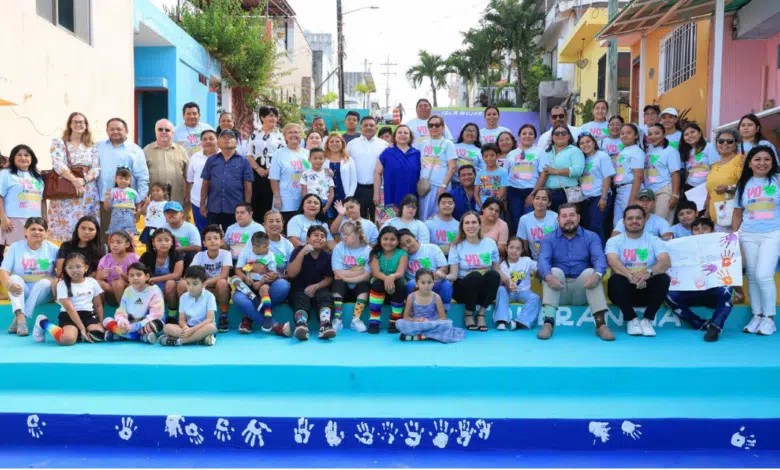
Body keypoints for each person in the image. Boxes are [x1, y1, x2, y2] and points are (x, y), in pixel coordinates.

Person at [537, 204, 613, 341]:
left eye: (572, 215)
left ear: (578, 217)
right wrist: (548, 276)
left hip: (582, 289)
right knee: (553, 271)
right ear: (558, 220)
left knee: (592, 272)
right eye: (564, 216)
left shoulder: (591, 237)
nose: (568, 219)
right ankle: (548, 323)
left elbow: (599, 259)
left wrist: (597, 275)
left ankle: (601, 325)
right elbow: (543, 260)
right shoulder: (548, 238)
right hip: (558, 288)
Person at [733, 146, 780, 336]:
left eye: (767, 159)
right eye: (757, 159)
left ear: (773, 162)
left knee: (764, 275)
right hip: (748, 234)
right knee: (752, 276)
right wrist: (735, 236)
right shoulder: (744, 183)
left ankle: (769, 318)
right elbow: (737, 212)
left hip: (773, 233)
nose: (762, 163)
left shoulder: (777, 180)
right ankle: (757, 315)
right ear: (750, 163)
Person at [606, 205, 672, 337]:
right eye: (630, 218)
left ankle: (648, 319)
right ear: (623, 221)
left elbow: (665, 262)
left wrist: (647, 273)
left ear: (644, 220)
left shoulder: (654, 240)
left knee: (663, 278)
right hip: (624, 292)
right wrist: (632, 277)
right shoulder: (614, 241)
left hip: (647, 289)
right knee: (615, 280)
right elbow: (613, 262)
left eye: (638, 218)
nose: (634, 221)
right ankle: (631, 319)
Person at [665, 217, 733, 342]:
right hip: (690, 291)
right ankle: (699, 323)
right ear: (692, 233)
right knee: (669, 293)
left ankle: (715, 327)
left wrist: (739, 290)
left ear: (712, 231)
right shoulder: (681, 248)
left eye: (705, 228)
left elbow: (732, 270)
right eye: (696, 229)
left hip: (712, 292)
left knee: (727, 288)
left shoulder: (723, 247)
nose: (700, 232)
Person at [233, 210, 293, 335]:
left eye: (278, 221)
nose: (274, 224)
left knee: (284, 285)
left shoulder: (287, 245)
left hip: (270, 285)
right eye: (270, 221)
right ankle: (273, 325)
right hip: (250, 284)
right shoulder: (254, 240)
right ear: (264, 224)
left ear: (283, 224)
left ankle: (249, 317)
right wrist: (252, 267)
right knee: (238, 298)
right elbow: (238, 268)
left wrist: (277, 275)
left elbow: (290, 274)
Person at [47, 112, 101, 243]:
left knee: (86, 224)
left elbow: (96, 167)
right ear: (69, 125)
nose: (79, 124)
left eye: (82, 122)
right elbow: (58, 163)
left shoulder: (92, 145)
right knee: (67, 226)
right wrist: (74, 180)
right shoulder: (59, 142)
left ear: (86, 125)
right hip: (66, 187)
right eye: (75, 122)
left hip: (87, 190)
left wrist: (84, 180)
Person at [1, 218, 59, 337]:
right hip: (22, 290)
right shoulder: (15, 247)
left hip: (45, 292)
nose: (37, 232)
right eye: (33, 229)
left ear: (46, 233)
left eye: (41, 229)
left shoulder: (53, 249)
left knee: (44, 282)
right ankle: (21, 318)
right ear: (25, 231)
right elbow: (4, 270)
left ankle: (20, 318)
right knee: (14, 279)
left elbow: (61, 273)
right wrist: (8, 285)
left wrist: (54, 280)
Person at [33, 252, 104, 346]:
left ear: (86, 268)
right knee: (67, 339)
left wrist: (102, 323)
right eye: (70, 267)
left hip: (88, 316)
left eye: (78, 266)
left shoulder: (92, 282)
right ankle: (43, 323)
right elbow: (70, 309)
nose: (75, 270)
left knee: (99, 336)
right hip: (69, 316)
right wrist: (82, 328)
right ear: (65, 270)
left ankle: (78, 333)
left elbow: (98, 305)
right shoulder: (62, 285)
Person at [446, 212, 501, 331]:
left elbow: (497, 269)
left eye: (474, 222)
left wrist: (508, 281)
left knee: (494, 275)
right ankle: (468, 313)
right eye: (467, 223)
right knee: (475, 276)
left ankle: (481, 314)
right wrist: (442, 276)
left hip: (482, 291)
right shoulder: (457, 246)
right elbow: (454, 274)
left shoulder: (490, 243)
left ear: (479, 225)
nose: (471, 226)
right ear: (462, 227)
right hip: (463, 290)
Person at [96, 118, 149, 231]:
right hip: (103, 200)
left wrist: (141, 199)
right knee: (105, 235)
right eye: (112, 129)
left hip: (126, 204)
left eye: (119, 129)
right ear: (107, 131)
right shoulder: (98, 147)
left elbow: (142, 177)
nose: (115, 131)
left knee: (125, 236)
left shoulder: (135, 150)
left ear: (126, 131)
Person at [199, 129, 254, 233]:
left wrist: (247, 206)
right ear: (218, 142)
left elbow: (248, 185)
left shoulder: (244, 161)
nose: (227, 138)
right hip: (213, 207)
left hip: (235, 208)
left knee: (233, 238)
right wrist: (202, 204)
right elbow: (205, 183)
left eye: (231, 137)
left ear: (236, 142)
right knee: (212, 235)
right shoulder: (211, 160)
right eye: (224, 137)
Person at [287, 226, 335, 341]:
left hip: (319, 288)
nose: (319, 238)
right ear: (308, 238)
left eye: (323, 236)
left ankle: (325, 325)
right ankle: (302, 325)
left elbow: (328, 278)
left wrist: (316, 286)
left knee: (326, 296)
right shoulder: (298, 251)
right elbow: (291, 273)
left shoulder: (327, 255)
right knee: (300, 298)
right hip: (299, 289)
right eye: (316, 235)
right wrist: (303, 251)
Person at [102, 263, 165, 344]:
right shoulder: (128, 290)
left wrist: (135, 326)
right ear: (128, 278)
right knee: (106, 321)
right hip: (130, 324)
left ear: (147, 276)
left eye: (139, 275)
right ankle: (140, 337)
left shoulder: (155, 291)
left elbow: (155, 315)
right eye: (131, 275)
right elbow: (121, 310)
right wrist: (122, 321)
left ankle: (122, 336)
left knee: (157, 324)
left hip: (145, 324)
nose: (135, 278)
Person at [396, 269, 465, 343]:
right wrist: (416, 320)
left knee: (447, 324)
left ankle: (419, 336)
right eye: (423, 283)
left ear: (433, 283)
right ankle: (429, 335)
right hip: (417, 324)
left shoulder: (436, 297)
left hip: (432, 323)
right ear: (416, 283)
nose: (426, 285)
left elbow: (443, 318)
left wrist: (430, 321)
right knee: (399, 323)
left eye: (429, 282)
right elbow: (406, 317)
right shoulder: (411, 296)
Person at [186, 224, 233, 332]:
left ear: (221, 241)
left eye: (216, 238)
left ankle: (223, 316)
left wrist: (204, 283)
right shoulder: (199, 256)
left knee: (222, 282)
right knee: (183, 284)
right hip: (203, 289)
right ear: (204, 243)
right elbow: (190, 273)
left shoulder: (226, 254)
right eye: (209, 239)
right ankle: (189, 315)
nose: (212, 241)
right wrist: (202, 285)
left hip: (217, 289)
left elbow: (223, 275)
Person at [158, 265, 219, 347]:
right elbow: (182, 320)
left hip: (204, 327)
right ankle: (199, 339)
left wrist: (193, 330)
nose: (191, 287)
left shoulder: (210, 296)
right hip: (188, 327)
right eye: (188, 283)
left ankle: (179, 341)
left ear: (204, 284)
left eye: (195, 284)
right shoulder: (183, 297)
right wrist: (186, 328)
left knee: (211, 327)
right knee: (167, 327)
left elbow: (210, 319)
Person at [331, 220, 372, 333]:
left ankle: (356, 319)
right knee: (337, 283)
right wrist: (359, 271)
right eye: (343, 234)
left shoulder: (367, 250)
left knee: (364, 285)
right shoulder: (339, 247)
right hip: (342, 286)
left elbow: (366, 277)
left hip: (359, 285)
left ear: (358, 235)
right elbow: (337, 272)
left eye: (348, 234)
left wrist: (346, 276)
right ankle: (337, 318)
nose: (344, 237)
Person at [0, 145, 44, 249]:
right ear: (13, 158)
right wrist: (3, 218)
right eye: (19, 155)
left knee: (27, 253)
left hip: (33, 222)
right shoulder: (5, 174)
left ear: (32, 158)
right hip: (11, 221)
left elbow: (42, 200)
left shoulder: (38, 178)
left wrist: (44, 220)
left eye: (26, 155)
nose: (23, 158)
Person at [413, 115, 456, 220]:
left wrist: (443, 186)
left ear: (442, 127)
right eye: (431, 125)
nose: (434, 128)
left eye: (437, 125)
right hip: (424, 186)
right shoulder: (422, 144)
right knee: (424, 216)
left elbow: (452, 167)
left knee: (440, 216)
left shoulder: (448, 144)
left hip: (440, 186)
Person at [398, 229, 453, 310]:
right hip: (416, 287)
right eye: (403, 245)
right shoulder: (402, 256)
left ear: (414, 237)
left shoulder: (432, 248)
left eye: (409, 241)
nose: (408, 245)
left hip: (433, 283)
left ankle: (444, 311)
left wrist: (439, 272)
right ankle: (413, 310)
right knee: (410, 284)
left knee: (446, 284)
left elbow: (444, 268)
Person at [374, 125, 420, 221]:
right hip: (390, 196)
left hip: (410, 199)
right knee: (390, 228)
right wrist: (376, 194)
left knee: (407, 228)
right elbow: (377, 173)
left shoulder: (417, 154)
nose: (402, 135)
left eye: (405, 133)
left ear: (410, 137)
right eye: (399, 132)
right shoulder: (387, 153)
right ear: (394, 136)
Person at [367, 226, 408, 334]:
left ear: (397, 241)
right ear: (380, 240)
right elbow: (376, 272)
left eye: (392, 239)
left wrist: (391, 277)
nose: (388, 242)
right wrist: (387, 278)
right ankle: (374, 321)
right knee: (377, 283)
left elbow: (400, 272)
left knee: (399, 283)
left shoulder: (402, 254)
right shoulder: (376, 253)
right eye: (385, 239)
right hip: (379, 290)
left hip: (396, 287)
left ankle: (395, 320)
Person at [247, 106, 285, 223]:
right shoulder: (254, 134)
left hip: (273, 169)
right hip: (257, 169)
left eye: (275, 116)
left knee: (270, 198)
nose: (274, 118)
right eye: (270, 115)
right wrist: (258, 169)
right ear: (262, 117)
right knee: (256, 198)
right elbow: (249, 154)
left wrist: (270, 169)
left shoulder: (280, 135)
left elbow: (282, 153)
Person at [494, 237, 541, 331]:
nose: (514, 251)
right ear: (506, 249)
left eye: (518, 248)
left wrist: (539, 272)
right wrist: (507, 285)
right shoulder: (502, 266)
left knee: (536, 298)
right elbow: (501, 282)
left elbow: (539, 268)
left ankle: (520, 322)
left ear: (522, 250)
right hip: (509, 293)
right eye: (511, 247)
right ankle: (502, 320)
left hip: (524, 292)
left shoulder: (527, 261)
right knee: (500, 290)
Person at [536, 124, 585, 213]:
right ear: (552, 136)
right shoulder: (546, 152)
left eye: (564, 133)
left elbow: (578, 171)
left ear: (569, 136)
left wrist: (555, 171)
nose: (560, 135)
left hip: (568, 193)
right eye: (557, 133)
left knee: (568, 221)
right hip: (548, 194)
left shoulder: (575, 151)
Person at [269, 123, 310, 228]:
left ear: (301, 135)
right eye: (290, 132)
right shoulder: (279, 154)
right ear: (285, 136)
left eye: (296, 132)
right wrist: (277, 197)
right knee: (287, 228)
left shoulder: (307, 154)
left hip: (305, 199)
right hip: (286, 200)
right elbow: (274, 178)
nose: (293, 135)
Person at [140, 228, 184, 323]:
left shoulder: (177, 255)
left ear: (172, 242)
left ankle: (172, 315)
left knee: (171, 283)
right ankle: (143, 314)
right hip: (154, 286)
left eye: (167, 240)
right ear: (153, 243)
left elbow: (177, 275)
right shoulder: (146, 256)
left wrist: (153, 279)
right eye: (159, 240)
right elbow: (139, 273)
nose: (163, 243)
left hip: (172, 287)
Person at [704, 128, 744, 231]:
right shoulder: (714, 165)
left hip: (735, 218)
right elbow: (711, 193)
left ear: (736, 144)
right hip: (717, 219)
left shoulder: (740, 160)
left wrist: (728, 188)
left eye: (730, 141)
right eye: (721, 141)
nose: (724, 144)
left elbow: (746, 186)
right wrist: (706, 215)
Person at [349, 116, 389, 221]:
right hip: (357, 189)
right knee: (357, 221)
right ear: (360, 128)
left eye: (371, 125)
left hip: (376, 189)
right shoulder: (352, 144)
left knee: (377, 220)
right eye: (365, 125)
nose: (369, 127)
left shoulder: (384, 145)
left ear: (376, 128)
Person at [144, 119, 189, 210]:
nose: (163, 132)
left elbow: (188, 176)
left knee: (175, 224)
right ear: (155, 131)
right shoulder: (146, 151)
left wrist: (189, 193)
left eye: (167, 130)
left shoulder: (181, 151)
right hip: (154, 203)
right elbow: (141, 177)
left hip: (176, 200)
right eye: (160, 129)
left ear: (172, 133)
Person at [577, 133, 615, 244]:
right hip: (585, 199)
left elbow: (607, 177)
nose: (585, 145)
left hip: (599, 196)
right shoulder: (581, 159)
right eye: (582, 143)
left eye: (588, 141)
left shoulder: (601, 156)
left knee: (596, 226)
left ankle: (601, 255)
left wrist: (603, 197)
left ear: (594, 142)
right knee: (587, 227)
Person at [505, 124, 542, 231]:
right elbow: (505, 175)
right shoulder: (511, 154)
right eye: (524, 133)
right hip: (513, 191)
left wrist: (533, 194)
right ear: (519, 136)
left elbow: (543, 175)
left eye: (531, 134)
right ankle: (518, 245)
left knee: (529, 219)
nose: (527, 136)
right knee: (515, 219)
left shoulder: (539, 152)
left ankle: (528, 245)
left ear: (535, 137)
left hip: (531, 190)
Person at [644, 123, 681, 222]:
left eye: (657, 133)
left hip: (664, 190)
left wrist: (675, 195)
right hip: (649, 192)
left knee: (661, 222)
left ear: (664, 134)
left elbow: (675, 174)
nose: (653, 136)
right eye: (650, 134)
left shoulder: (671, 151)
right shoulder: (648, 151)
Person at [612, 123, 646, 227]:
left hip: (629, 189)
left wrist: (632, 200)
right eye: (622, 133)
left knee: (630, 223)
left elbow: (638, 176)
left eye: (628, 133)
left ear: (636, 135)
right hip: (620, 190)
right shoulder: (623, 151)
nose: (624, 135)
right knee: (618, 224)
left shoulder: (637, 151)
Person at [678, 123, 720, 204]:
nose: (690, 136)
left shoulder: (710, 147)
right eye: (686, 134)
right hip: (691, 188)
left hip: (706, 188)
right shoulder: (688, 152)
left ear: (700, 133)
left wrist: (710, 188)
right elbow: (689, 171)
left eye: (692, 132)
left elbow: (715, 169)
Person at [186, 129, 219, 232]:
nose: (208, 141)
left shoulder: (223, 156)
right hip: (197, 201)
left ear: (217, 139)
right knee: (201, 231)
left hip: (218, 202)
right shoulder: (195, 157)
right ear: (201, 142)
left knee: (216, 232)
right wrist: (187, 195)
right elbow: (189, 179)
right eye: (204, 139)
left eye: (211, 138)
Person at [96, 230, 138, 306]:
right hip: (110, 293)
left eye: (118, 242)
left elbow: (138, 278)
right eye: (112, 242)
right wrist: (103, 275)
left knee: (118, 283)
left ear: (127, 244)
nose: (114, 245)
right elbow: (98, 278)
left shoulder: (134, 258)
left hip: (128, 292)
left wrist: (122, 274)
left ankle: (123, 308)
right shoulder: (105, 258)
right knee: (97, 283)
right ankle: (99, 308)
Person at [517, 189, 558, 260]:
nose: (540, 202)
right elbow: (524, 246)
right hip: (535, 260)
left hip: (554, 259)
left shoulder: (555, 217)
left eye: (544, 199)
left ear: (549, 203)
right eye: (537, 198)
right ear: (533, 201)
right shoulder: (524, 219)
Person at [324, 132, 357, 215]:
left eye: (337, 141)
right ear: (327, 144)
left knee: (344, 222)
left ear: (342, 143)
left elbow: (353, 180)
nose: (334, 144)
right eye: (331, 142)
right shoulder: (323, 160)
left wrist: (349, 197)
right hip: (327, 198)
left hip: (344, 196)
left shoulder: (349, 160)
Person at [163, 201, 202, 268]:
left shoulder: (191, 228)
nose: (171, 215)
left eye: (174, 212)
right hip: (168, 258)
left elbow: (197, 247)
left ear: (182, 213)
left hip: (186, 259)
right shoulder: (162, 228)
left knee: (192, 254)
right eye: (168, 212)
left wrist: (177, 249)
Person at [104, 167, 141, 235]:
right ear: (116, 179)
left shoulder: (133, 192)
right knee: (114, 235)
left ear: (130, 180)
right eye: (121, 178)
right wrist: (106, 199)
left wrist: (138, 213)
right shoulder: (112, 191)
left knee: (129, 236)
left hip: (129, 218)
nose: (123, 181)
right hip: (116, 218)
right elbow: (107, 208)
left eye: (126, 179)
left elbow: (138, 203)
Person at [301, 148, 335, 217]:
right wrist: (307, 204)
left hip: (324, 204)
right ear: (310, 159)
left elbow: (331, 193)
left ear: (324, 159)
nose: (318, 160)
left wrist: (327, 206)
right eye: (315, 158)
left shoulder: (327, 173)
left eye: (320, 158)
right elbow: (304, 191)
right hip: (311, 204)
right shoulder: (305, 174)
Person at [475, 143, 508, 209]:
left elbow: (502, 192)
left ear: (497, 156)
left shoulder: (503, 172)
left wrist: (491, 207)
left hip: (496, 208)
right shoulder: (480, 173)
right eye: (486, 156)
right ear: (482, 157)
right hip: (481, 208)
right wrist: (482, 207)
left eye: (492, 155)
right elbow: (476, 193)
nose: (489, 158)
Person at [453, 123, 483, 188]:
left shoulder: (480, 151)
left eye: (473, 131)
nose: (470, 133)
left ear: (477, 136)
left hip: (471, 185)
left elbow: (482, 170)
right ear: (462, 133)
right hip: (453, 183)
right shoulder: (452, 146)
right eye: (468, 130)